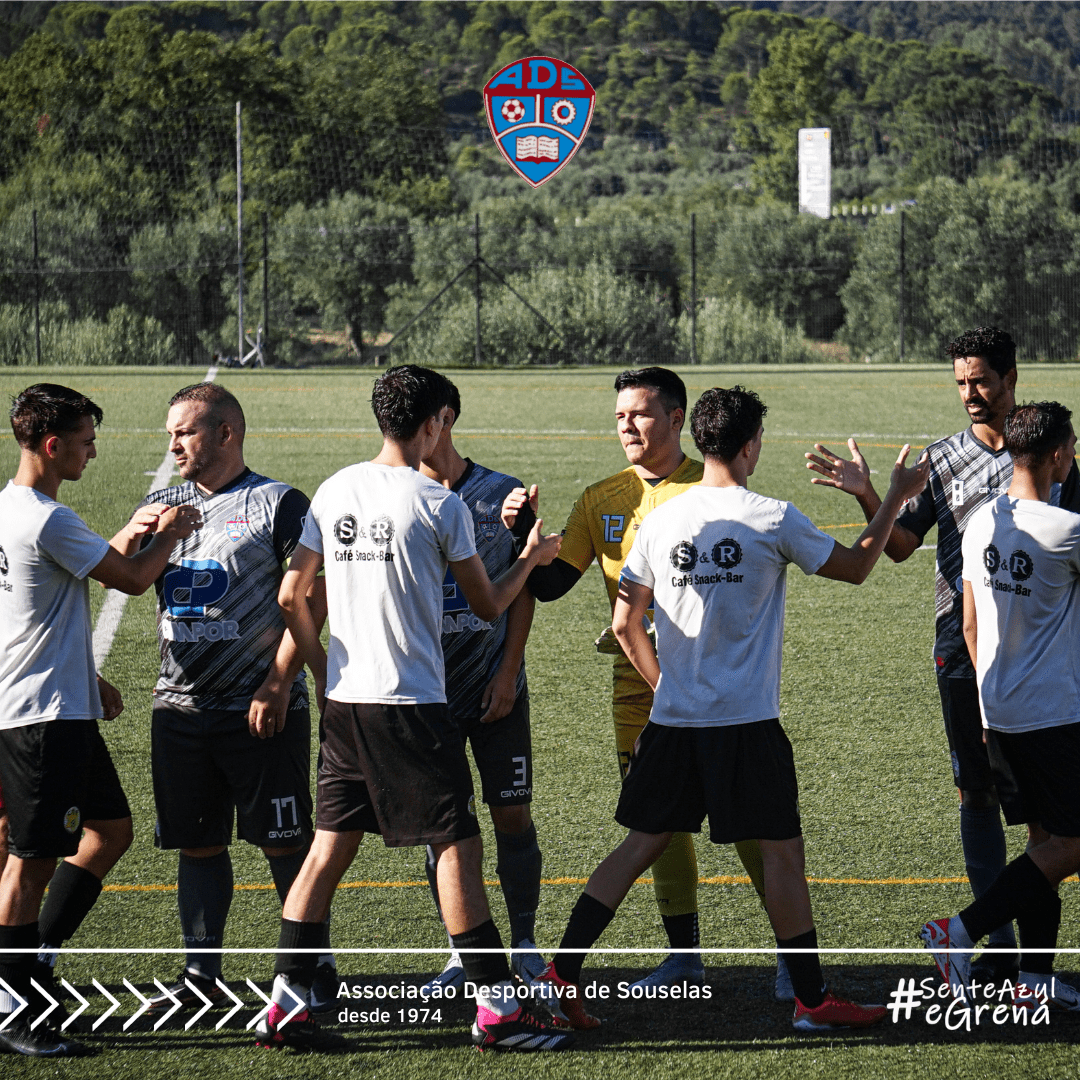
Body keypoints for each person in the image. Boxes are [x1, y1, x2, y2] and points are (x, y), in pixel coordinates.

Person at [536, 385, 928, 1033]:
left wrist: (666, 688)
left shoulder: (658, 521)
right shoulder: (772, 517)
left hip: (672, 722)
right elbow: (859, 567)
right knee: (782, 855)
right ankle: (811, 1000)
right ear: (750, 446)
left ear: (700, 438)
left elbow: (625, 623)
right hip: (746, 726)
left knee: (638, 846)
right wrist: (891, 497)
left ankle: (559, 974)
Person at [264, 365, 572, 1053]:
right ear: (434, 423)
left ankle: (285, 1004)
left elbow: (291, 597)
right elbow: (488, 604)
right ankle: (498, 1010)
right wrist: (531, 557)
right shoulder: (440, 504)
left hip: (346, 703)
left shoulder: (335, 488)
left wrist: (324, 669)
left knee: (327, 850)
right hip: (411, 704)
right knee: (457, 845)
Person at [805, 326, 1080, 984]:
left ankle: (1026, 966)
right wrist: (870, 494)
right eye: (960, 382)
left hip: (1043, 654)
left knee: (1045, 825)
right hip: (964, 647)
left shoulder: (1049, 456)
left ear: (1011, 378)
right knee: (977, 793)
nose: (970, 393)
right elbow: (902, 546)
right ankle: (995, 949)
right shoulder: (944, 459)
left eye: (980, 380)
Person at [501, 367, 781, 994]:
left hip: (721, 692)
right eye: (620, 416)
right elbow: (552, 585)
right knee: (660, 828)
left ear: (678, 419)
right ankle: (685, 955)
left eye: (641, 414)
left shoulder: (713, 486)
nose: (627, 426)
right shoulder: (602, 498)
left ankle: (791, 957)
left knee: (751, 824)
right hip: (639, 693)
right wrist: (523, 536)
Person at [108, 383, 336, 1013]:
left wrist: (278, 681)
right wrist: (132, 531)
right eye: (170, 435)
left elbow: (313, 598)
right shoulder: (161, 503)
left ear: (226, 433)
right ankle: (200, 976)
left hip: (259, 708)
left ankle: (313, 970)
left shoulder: (279, 503)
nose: (174, 445)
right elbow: (115, 575)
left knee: (285, 843)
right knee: (198, 843)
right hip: (179, 708)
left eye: (184, 432)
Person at [0, 383, 202, 1057]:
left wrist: (89, 676)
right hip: (42, 718)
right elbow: (134, 579)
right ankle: (12, 1010)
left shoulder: (14, 509)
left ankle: (33, 962)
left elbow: (60, 584)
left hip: (63, 705)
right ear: (53, 445)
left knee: (110, 830)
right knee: (29, 864)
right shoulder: (46, 519)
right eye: (86, 442)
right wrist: (169, 534)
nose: (92, 451)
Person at [922, 400, 1080, 1010]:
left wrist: (990, 706)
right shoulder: (1066, 530)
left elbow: (967, 625)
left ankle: (1034, 977)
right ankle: (958, 932)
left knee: (1043, 845)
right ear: (1059, 454)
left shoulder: (981, 522)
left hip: (1000, 711)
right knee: (1070, 845)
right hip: (1054, 715)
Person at [417, 379, 546, 996]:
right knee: (443, 828)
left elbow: (524, 589)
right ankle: (460, 947)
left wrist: (507, 672)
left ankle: (524, 942)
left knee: (511, 815)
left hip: (496, 692)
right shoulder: (397, 494)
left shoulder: (501, 493)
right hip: (425, 696)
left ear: (445, 419)